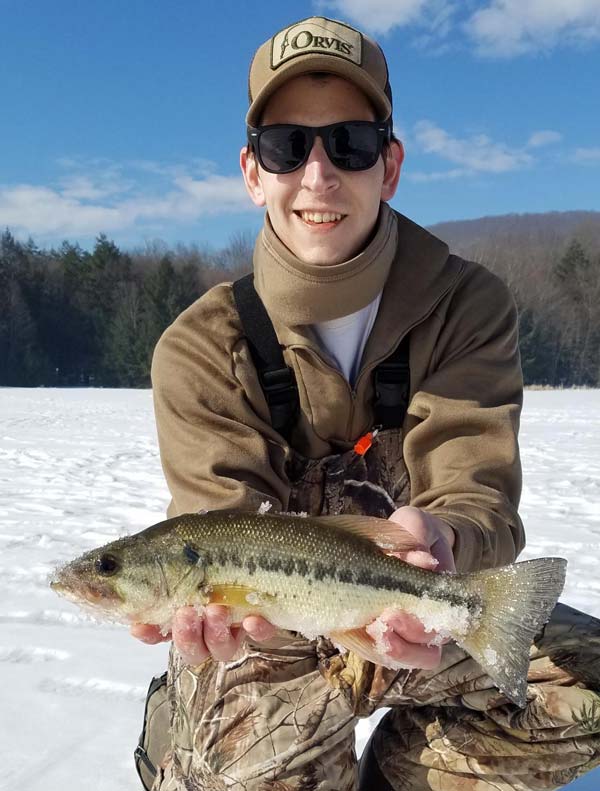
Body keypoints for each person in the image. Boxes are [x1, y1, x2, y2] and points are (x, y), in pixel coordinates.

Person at [133, 16, 600, 791]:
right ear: (253, 171)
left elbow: (474, 488)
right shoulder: (199, 347)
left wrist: (442, 536)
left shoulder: (468, 306)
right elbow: (225, 519)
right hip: (273, 639)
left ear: (390, 164)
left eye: (348, 143)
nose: (319, 175)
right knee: (234, 769)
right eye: (288, 146)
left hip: (419, 604)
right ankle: (186, 743)